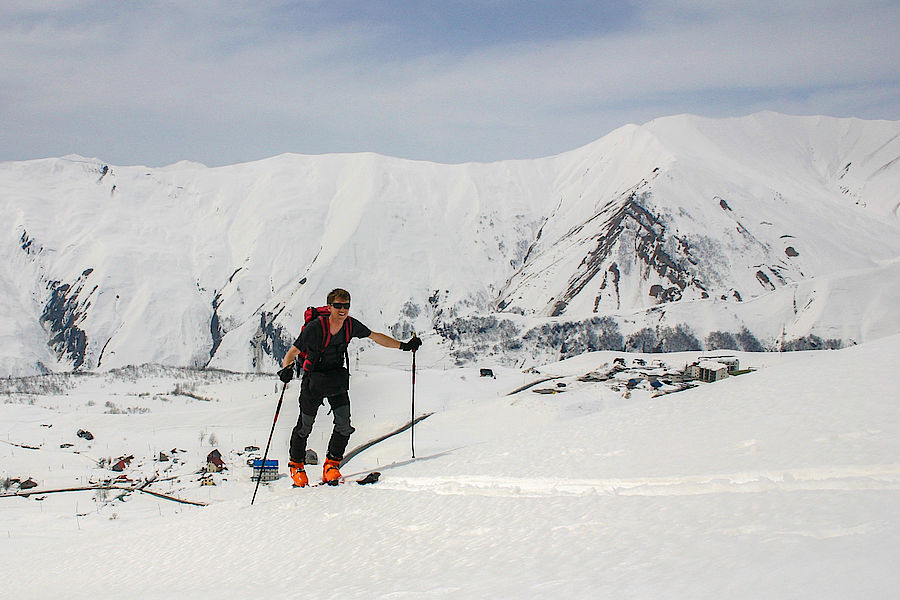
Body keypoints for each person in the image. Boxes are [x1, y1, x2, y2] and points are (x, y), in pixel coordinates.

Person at [277, 288, 421, 486]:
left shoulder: (350, 325)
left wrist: (404, 346)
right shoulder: (315, 328)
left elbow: (376, 337)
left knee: (344, 425)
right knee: (305, 426)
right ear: (329, 307)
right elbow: (292, 352)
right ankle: (297, 466)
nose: (342, 310)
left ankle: (332, 465)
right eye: (338, 306)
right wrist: (286, 369)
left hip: (336, 378)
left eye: (346, 306)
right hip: (314, 380)